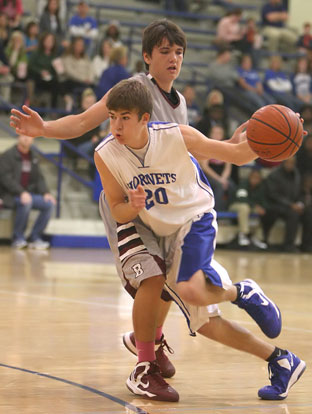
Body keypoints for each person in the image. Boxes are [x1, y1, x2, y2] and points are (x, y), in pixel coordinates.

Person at [9, 21, 306, 402]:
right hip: (129, 199)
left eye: (179, 52)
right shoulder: (131, 92)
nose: (174, 59)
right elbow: (84, 122)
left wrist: (234, 146)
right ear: (147, 57)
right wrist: (45, 128)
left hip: (173, 202)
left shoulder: (178, 105)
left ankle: (154, 338)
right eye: (164, 51)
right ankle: (148, 353)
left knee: (178, 290)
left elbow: (187, 148)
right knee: (154, 279)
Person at [0, 134, 56, 249]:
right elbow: (6, 179)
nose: (26, 138)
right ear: (18, 138)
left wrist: (45, 192)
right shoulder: (7, 155)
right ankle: (18, 238)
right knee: (27, 202)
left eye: (29, 136)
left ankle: (35, 237)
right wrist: (21, 192)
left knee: (49, 204)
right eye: (23, 136)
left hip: (28, 194)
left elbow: (39, 178)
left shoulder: (33, 156)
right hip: (10, 195)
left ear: (33, 140)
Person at [262, 156, 312, 252]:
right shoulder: (274, 175)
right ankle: (288, 245)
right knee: (293, 214)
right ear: (283, 162)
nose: (290, 165)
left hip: (293, 206)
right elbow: (272, 195)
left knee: (309, 213)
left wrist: (301, 204)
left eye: (292, 163)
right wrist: (290, 204)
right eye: (288, 163)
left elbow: (301, 192)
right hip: (276, 206)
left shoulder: (296, 175)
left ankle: (307, 245)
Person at [199, 124, 236, 211]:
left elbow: (228, 167)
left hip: (221, 174)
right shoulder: (206, 145)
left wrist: (223, 178)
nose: (216, 135)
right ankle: (216, 212)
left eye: (219, 133)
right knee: (219, 186)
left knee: (231, 186)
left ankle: (229, 210)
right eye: (214, 133)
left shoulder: (226, 146)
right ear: (210, 134)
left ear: (222, 135)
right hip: (209, 175)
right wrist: (219, 179)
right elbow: (205, 167)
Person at [228, 168, 268, 248]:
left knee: (261, 211)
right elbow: (241, 198)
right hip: (235, 205)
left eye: (257, 178)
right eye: (253, 177)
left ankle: (255, 237)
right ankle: (243, 234)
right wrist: (254, 206)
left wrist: (262, 208)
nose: (255, 180)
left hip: (250, 206)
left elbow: (264, 201)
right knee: (244, 207)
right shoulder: (243, 184)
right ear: (250, 177)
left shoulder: (261, 187)